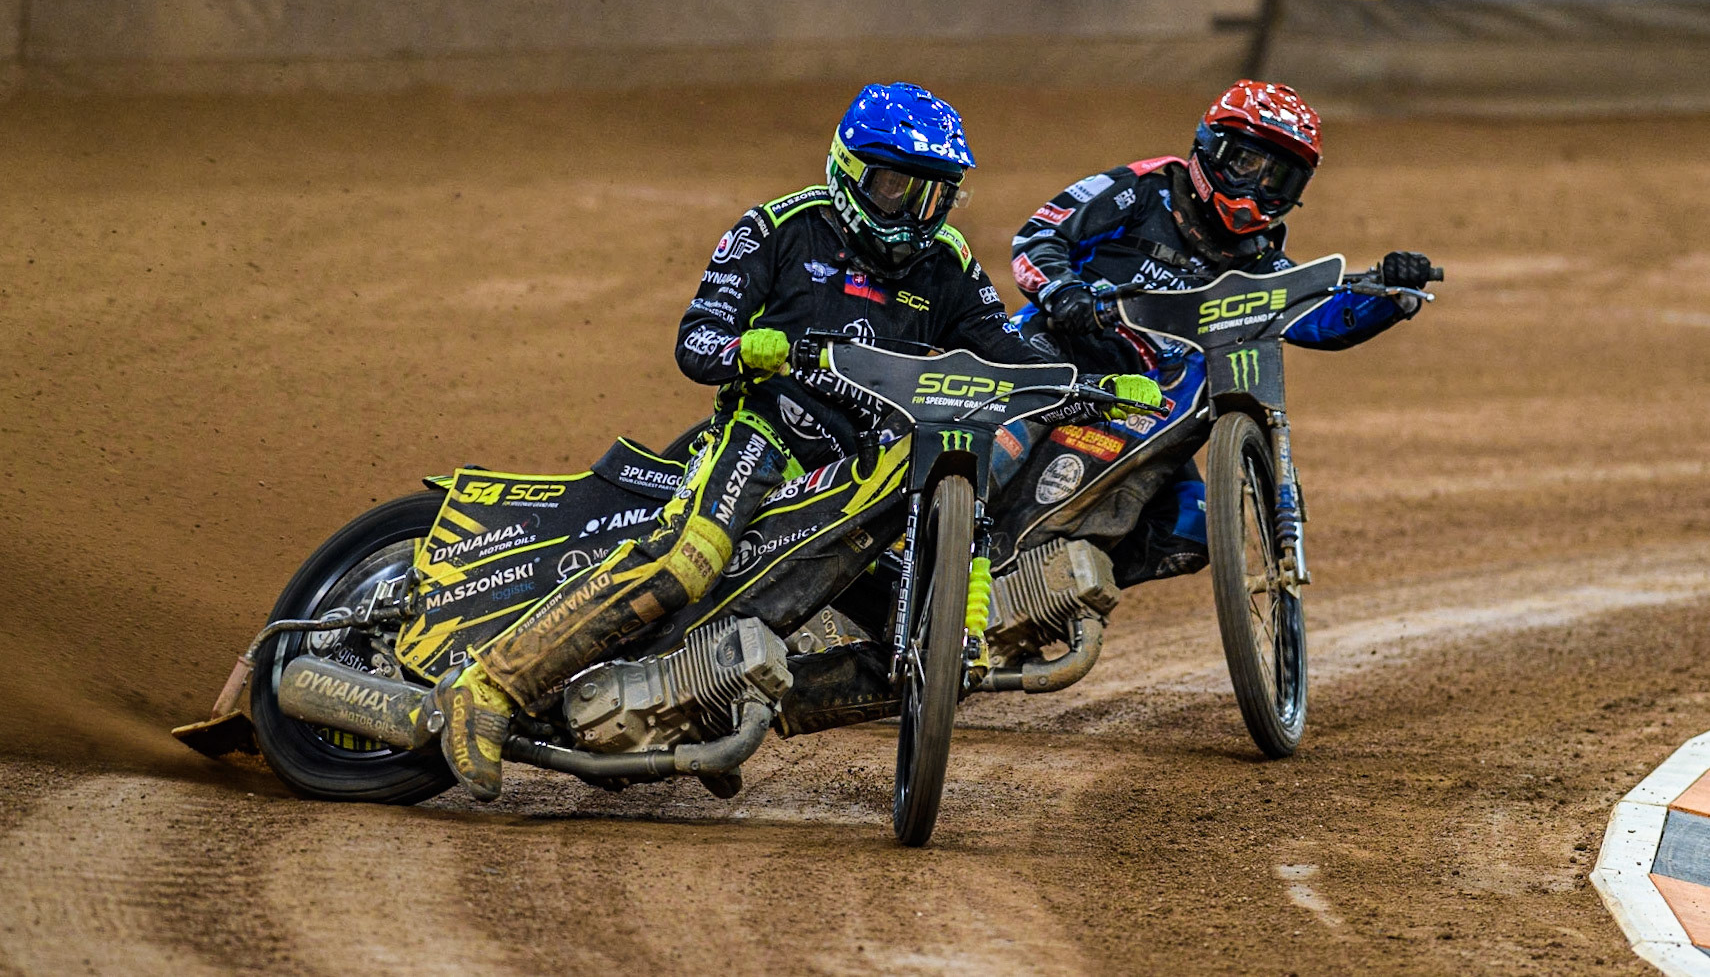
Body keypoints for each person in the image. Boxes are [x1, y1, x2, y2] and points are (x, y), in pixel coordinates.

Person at [431, 81, 1161, 800]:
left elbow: (1003, 347)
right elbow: (696, 343)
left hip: (860, 475)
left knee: (928, 655)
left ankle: (704, 702)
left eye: (936, 194)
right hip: (763, 436)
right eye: (898, 185)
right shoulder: (779, 228)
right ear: (850, 172)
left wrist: (1093, 381)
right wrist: (752, 348)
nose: (916, 212)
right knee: (687, 564)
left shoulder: (949, 263)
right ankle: (491, 683)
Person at [1008, 79, 1435, 586]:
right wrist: (1065, 294)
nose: (1256, 189)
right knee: (1000, 447)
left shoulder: (1259, 260)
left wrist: (1391, 295)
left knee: (1190, 531)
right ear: (1210, 149)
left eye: (1279, 179)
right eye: (1246, 165)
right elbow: (1039, 236)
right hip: (1060, 348)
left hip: (1150, 402)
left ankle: (1048, 589)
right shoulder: (1145, 189)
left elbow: (1315, 316)